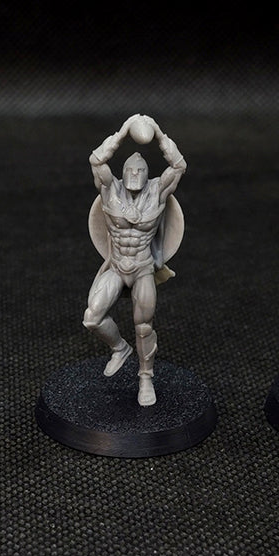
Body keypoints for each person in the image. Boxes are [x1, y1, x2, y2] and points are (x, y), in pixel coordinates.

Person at [83, 115, 186, 406]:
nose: (135, 174)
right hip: (117, 266)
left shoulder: (157, 191)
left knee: (144, 326)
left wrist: (159, 133)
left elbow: (179, 166)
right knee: (92, 318)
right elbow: (96, 160)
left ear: (146, 173)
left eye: (140, 170)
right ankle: (119, 348)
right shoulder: (110, 189)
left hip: (142, 268)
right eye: (130, 170)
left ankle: (145, 378)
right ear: (124, 172)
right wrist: (124, 131)